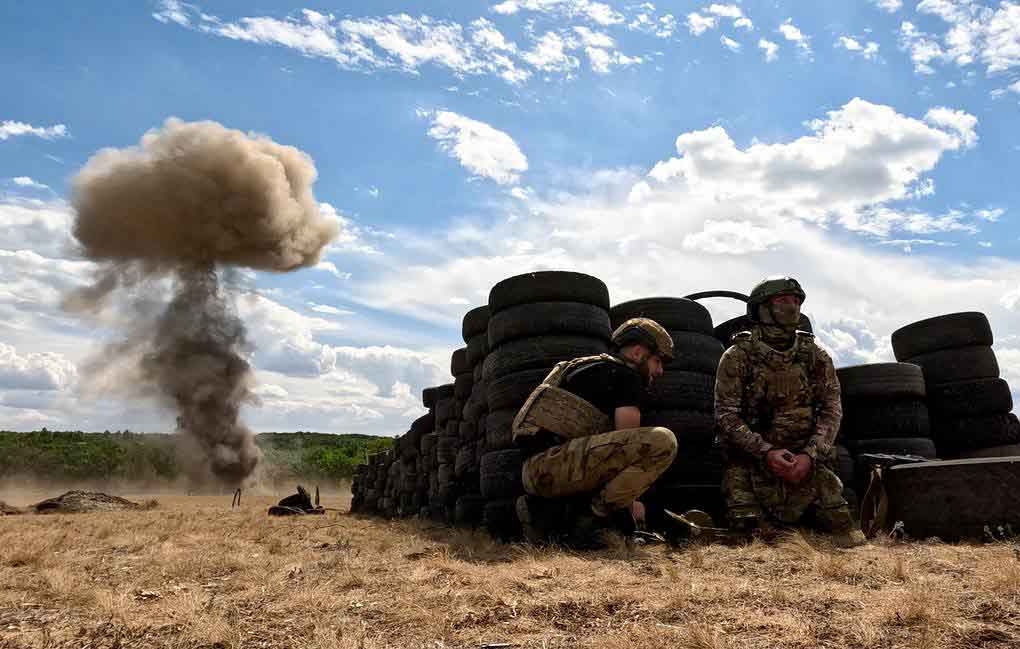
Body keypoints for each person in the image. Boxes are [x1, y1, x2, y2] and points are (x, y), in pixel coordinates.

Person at [715, 277, 866, 548]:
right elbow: (726, 415)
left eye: (796, 301)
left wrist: (809, 455)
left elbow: (832, 410)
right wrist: (766, 452)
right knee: (749, 538)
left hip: (806, 464)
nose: (792, 306)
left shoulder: (815, 356)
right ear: (762, 308)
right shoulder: (737, 356)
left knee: (843, 534)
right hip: (752, 464)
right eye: (783, 300)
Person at [513, 318, 678, 546]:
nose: (660, 371)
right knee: (662, 441)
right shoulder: (627, 377)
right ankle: (592, 522)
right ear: (638, 353)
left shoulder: (578, 367)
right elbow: (628, 448)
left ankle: (548, 515)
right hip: (556, 467)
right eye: (657, 361)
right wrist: (630, 506)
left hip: (533, 472)